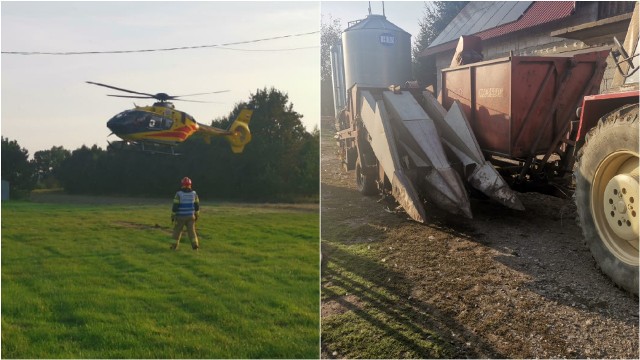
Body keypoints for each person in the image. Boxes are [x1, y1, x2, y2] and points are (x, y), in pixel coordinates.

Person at [170, 177, 200, 250]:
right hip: (191, 216)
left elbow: (175, 206)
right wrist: (196, 214)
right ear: (190, 185)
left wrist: (173, 216)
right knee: (192, 231)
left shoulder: (178, 194)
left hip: (180, 217)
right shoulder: (194, 193)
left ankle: (174, 246)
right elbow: (197, 205)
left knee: (177, 231)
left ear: (182, 184)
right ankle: (195, 245)